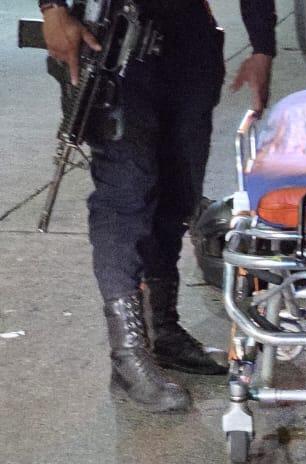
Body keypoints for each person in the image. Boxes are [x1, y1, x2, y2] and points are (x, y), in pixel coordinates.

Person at [39, 0, 277, 413]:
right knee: (125, 196)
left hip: (190, 42)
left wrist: (262, 47)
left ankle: (161, 329)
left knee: (179, 195)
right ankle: (128, 355)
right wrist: (53, 9)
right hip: (116, 45)